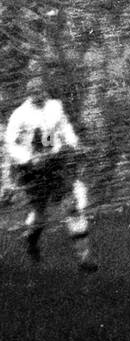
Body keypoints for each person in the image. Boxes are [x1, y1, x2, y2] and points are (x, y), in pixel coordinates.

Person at [0, 73, 97, 271]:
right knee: (39, 213)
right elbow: (9, 144)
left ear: (45, 90)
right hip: (32, 169)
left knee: (71, 206)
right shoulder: (20, 115)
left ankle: (85, 258)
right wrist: (28, 159)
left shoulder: (55, 106)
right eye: (34, 91)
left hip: (55, 164)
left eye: (41, 90)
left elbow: (65, 127)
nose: (39, 94)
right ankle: (31, 241)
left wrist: (75, 143)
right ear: (28, 94)